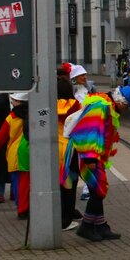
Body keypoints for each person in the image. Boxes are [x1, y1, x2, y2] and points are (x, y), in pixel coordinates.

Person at [62, 84, 130, 241]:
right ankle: (87, 226)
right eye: (127, 106)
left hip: (90, 154)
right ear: (121, 102)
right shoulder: (101, 107)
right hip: (85, 154)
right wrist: (90, 158)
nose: (125, 110)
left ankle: (100, 225)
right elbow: (88, 131)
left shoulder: (107, 106)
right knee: (98, 190)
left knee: (97, 189)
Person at [0, 92, 28, 208]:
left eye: (14, 100)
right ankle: (20, 201)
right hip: (29, 152)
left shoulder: (11, 118)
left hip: (13, 152)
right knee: (24, 182)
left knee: (10, 175)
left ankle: (12, 201)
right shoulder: (33, 115)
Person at [56, 74, 83, 228]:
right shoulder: (76, 105)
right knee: (70, 183)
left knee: (57, 183)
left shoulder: (49, 104)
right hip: (70, 149)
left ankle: (58, 215)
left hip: (54, 147)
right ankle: (66, 219)